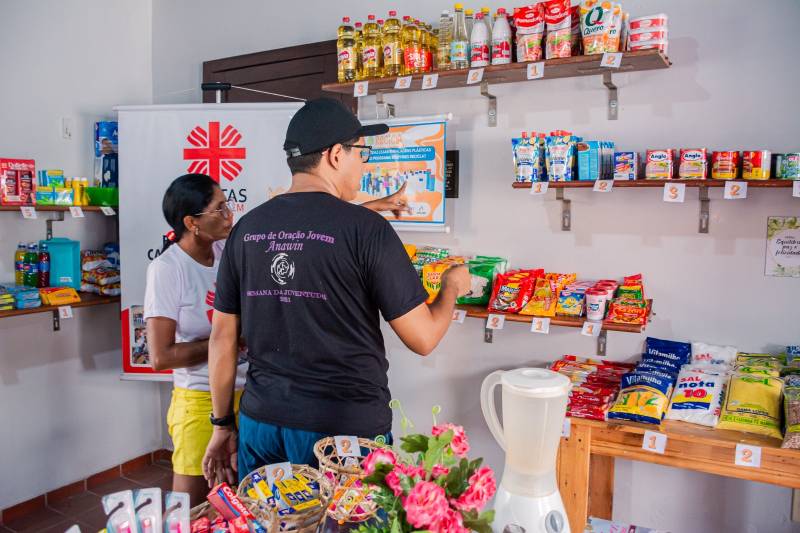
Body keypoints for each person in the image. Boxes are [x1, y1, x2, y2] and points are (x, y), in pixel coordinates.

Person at [202, 97, 471, 485]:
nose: (364, 164)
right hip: (343, 434)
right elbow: (424, 337)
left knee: (271, 526)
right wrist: (450, 288)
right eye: (360, 152)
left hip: (262, 422)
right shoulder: (366, 230)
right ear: (333, 155)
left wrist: (222, 424)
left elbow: (222, 338)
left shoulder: (247, 230)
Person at [143, 174, 248, 505]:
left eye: (227, 205)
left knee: (241, 503)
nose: (229, 215)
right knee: (191, 506)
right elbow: (160, 356)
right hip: (200, 401)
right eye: (219, 209)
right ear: (192, 222)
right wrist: (228, 341)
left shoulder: (226, 251)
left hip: (248, 394)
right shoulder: (167, 268)